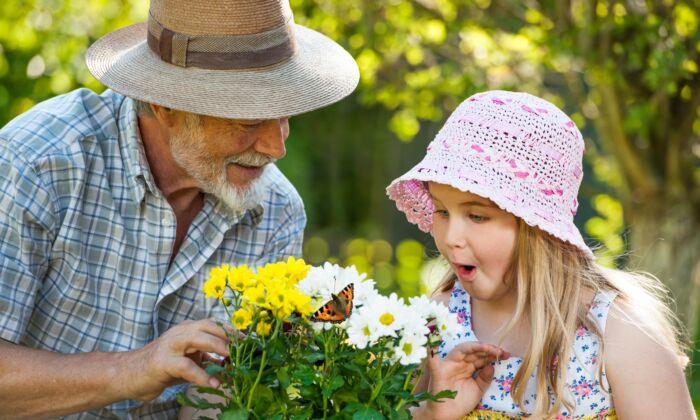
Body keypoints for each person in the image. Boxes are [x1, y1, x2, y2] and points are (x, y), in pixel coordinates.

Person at [0, 0, 358, 418]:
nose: (276, 148)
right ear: (165, 106)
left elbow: (220, 395)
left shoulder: (275, 211)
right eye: (248, 123)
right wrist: (135, 369)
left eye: (284, 117)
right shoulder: (39, 162)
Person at [387, 91, 694, 419]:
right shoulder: (443, 320)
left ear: (538, 228)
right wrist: (432, 413)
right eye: (442, 211)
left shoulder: (619, 336)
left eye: (477, 216)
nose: (450, 238)